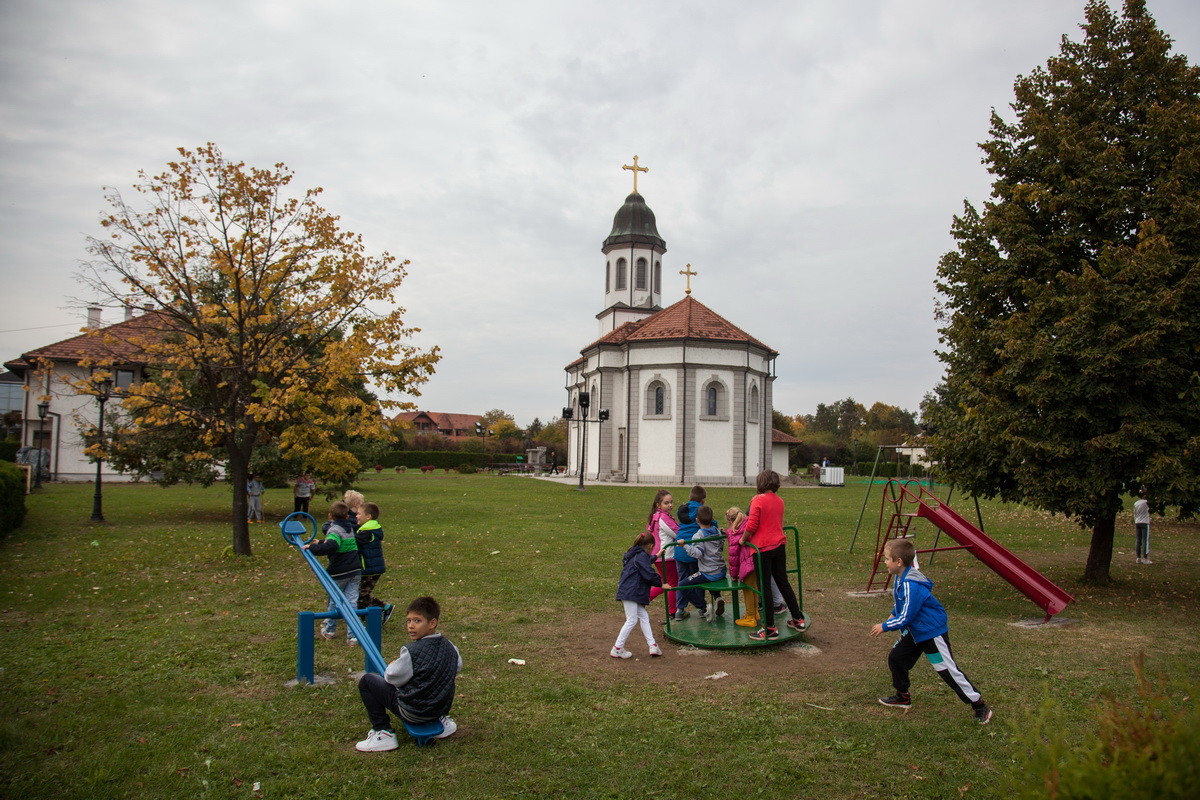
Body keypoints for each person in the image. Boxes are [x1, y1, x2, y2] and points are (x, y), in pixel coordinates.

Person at [871, 538, 992, 725]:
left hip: (930, 633)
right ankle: (903, 697)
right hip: (915, 632)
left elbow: (907, 616)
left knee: (946, 670)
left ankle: (979, 704)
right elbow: (902, 603)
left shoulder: (911, 584)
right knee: (896, 658)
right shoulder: (899, 577)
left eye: (887, 559)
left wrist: (885, 626)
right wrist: (892, 614)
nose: (885, 562)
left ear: (899, 562)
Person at [355, 596, 462, 751]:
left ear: (432, 623)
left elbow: (392, 677)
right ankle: (442, 721)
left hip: (414, 712)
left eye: (417, 621)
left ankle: (383, 732)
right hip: (440, 708)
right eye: (409, 621)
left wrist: (393, 665)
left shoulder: (411, 652)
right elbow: (457, 666)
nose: (411, 626)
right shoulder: (451, 647)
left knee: (368, 681)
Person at [740, 469, 804, 640]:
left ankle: (769, 628)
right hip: (779, 546)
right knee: (783, 582)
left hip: (762, 548)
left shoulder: (757, 499)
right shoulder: (779, 500)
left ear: (760, 483)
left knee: (765, 587)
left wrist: (743, 539)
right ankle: (798, 619)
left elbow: (752, 525)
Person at [302, 501, 361, 643]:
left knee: (335, 601)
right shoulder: (349, 528)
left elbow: (332, 546)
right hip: (355, 570)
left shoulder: (334, 530)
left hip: (340, 572)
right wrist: (321, 542)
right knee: (352, 601)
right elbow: (339, 542)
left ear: (330, 516)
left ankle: (329, 630)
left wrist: (312, 548)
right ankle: (353, 635)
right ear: (347, 516)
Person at [611, 532, 664, 659]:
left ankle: (653, 646)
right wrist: (661, 584)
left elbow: (644, 562)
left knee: (643, 616)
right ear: (651, 546)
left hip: (629, 591)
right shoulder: (641, 556)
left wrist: (656, 556)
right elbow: (648, 574)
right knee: (632, 620)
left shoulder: (635, 554)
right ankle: (617, 648)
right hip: (631, 592)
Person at [679, 506, 727, 621]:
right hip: (721, 570)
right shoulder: (717, 531)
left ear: (697, 520)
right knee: (709, 577)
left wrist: (684, 545)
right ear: (712, 519)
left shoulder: (698, 535)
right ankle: (718, 597)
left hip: (709, 572)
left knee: (682, 585)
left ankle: (704, 608)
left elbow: (698, 554)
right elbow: (721, 545)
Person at [673, 485, 708, 620]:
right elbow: (710, 523)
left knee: (682, 580)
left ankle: (680, 609)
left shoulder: (682, 509)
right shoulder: (701, 511)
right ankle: (702, 608)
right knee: (697, 580)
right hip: (694, 551)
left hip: (680, 549)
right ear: (703, 499)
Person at [356, 502, 394, 623]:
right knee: (362, 595)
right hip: (371, 568)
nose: (356, 516)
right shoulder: (368, 530)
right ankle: (371, 615)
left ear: (368, 517)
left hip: (370, 570)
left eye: (359, 514)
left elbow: (352, 542)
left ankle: (382, 609)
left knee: (360, 596)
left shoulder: (367, 532)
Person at [645, 490, 680, 617]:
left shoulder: (656, 516)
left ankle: (642, 600)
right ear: (658, 505)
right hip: (666, 556)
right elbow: (676, 532)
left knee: (663, 582)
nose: (670, 505)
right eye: (666, 503)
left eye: (671, 502)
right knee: (672, 584)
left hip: (659, 555)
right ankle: (673, 612)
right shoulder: (663, 518)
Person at [1133, 490, 1152, 564]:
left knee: (1138, 540)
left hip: (1137, 522)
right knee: (1145, 540)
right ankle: (1145, 558)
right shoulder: (1146, 502)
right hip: (1145, 522)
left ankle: (1138, 557)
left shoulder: (1136, 503)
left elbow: (1135, 513)